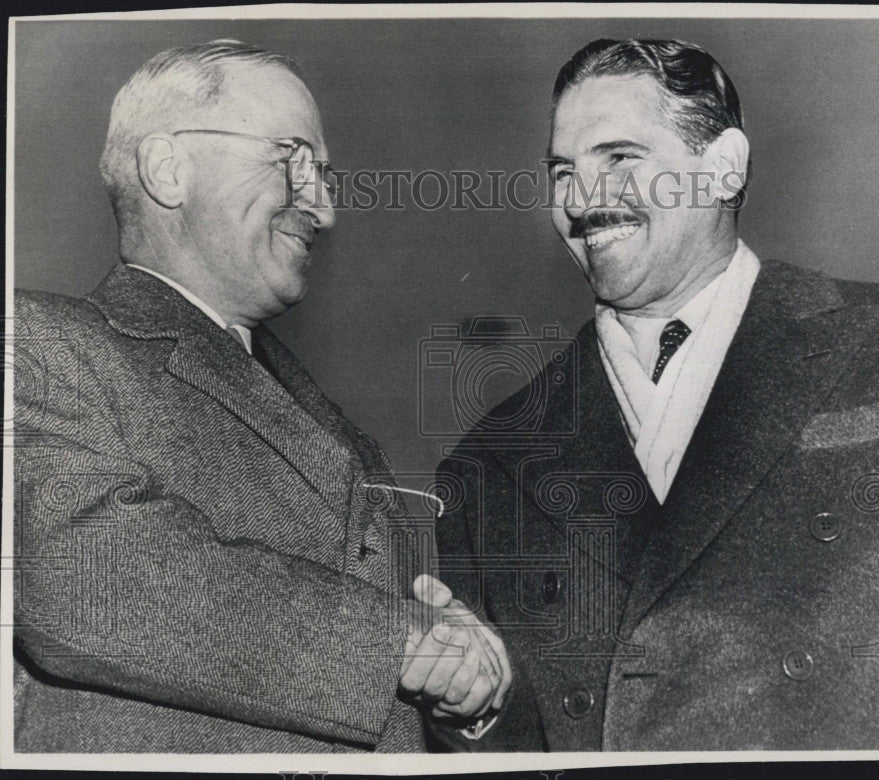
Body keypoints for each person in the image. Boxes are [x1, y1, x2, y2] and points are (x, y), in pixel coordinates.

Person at [13, 39, 509, 753]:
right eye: (294, 160)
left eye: (325, 174)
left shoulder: (328, 419)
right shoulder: (39, 344)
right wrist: (399, 642)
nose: (326, 208)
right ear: (167, 168)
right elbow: (79, 576)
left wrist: (458, 696)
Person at [433, 38, 879, 751]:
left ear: (722, 169)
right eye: (563, 172)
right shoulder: (488, 464)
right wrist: (477, 710)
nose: (582, 202)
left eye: (620, 158)